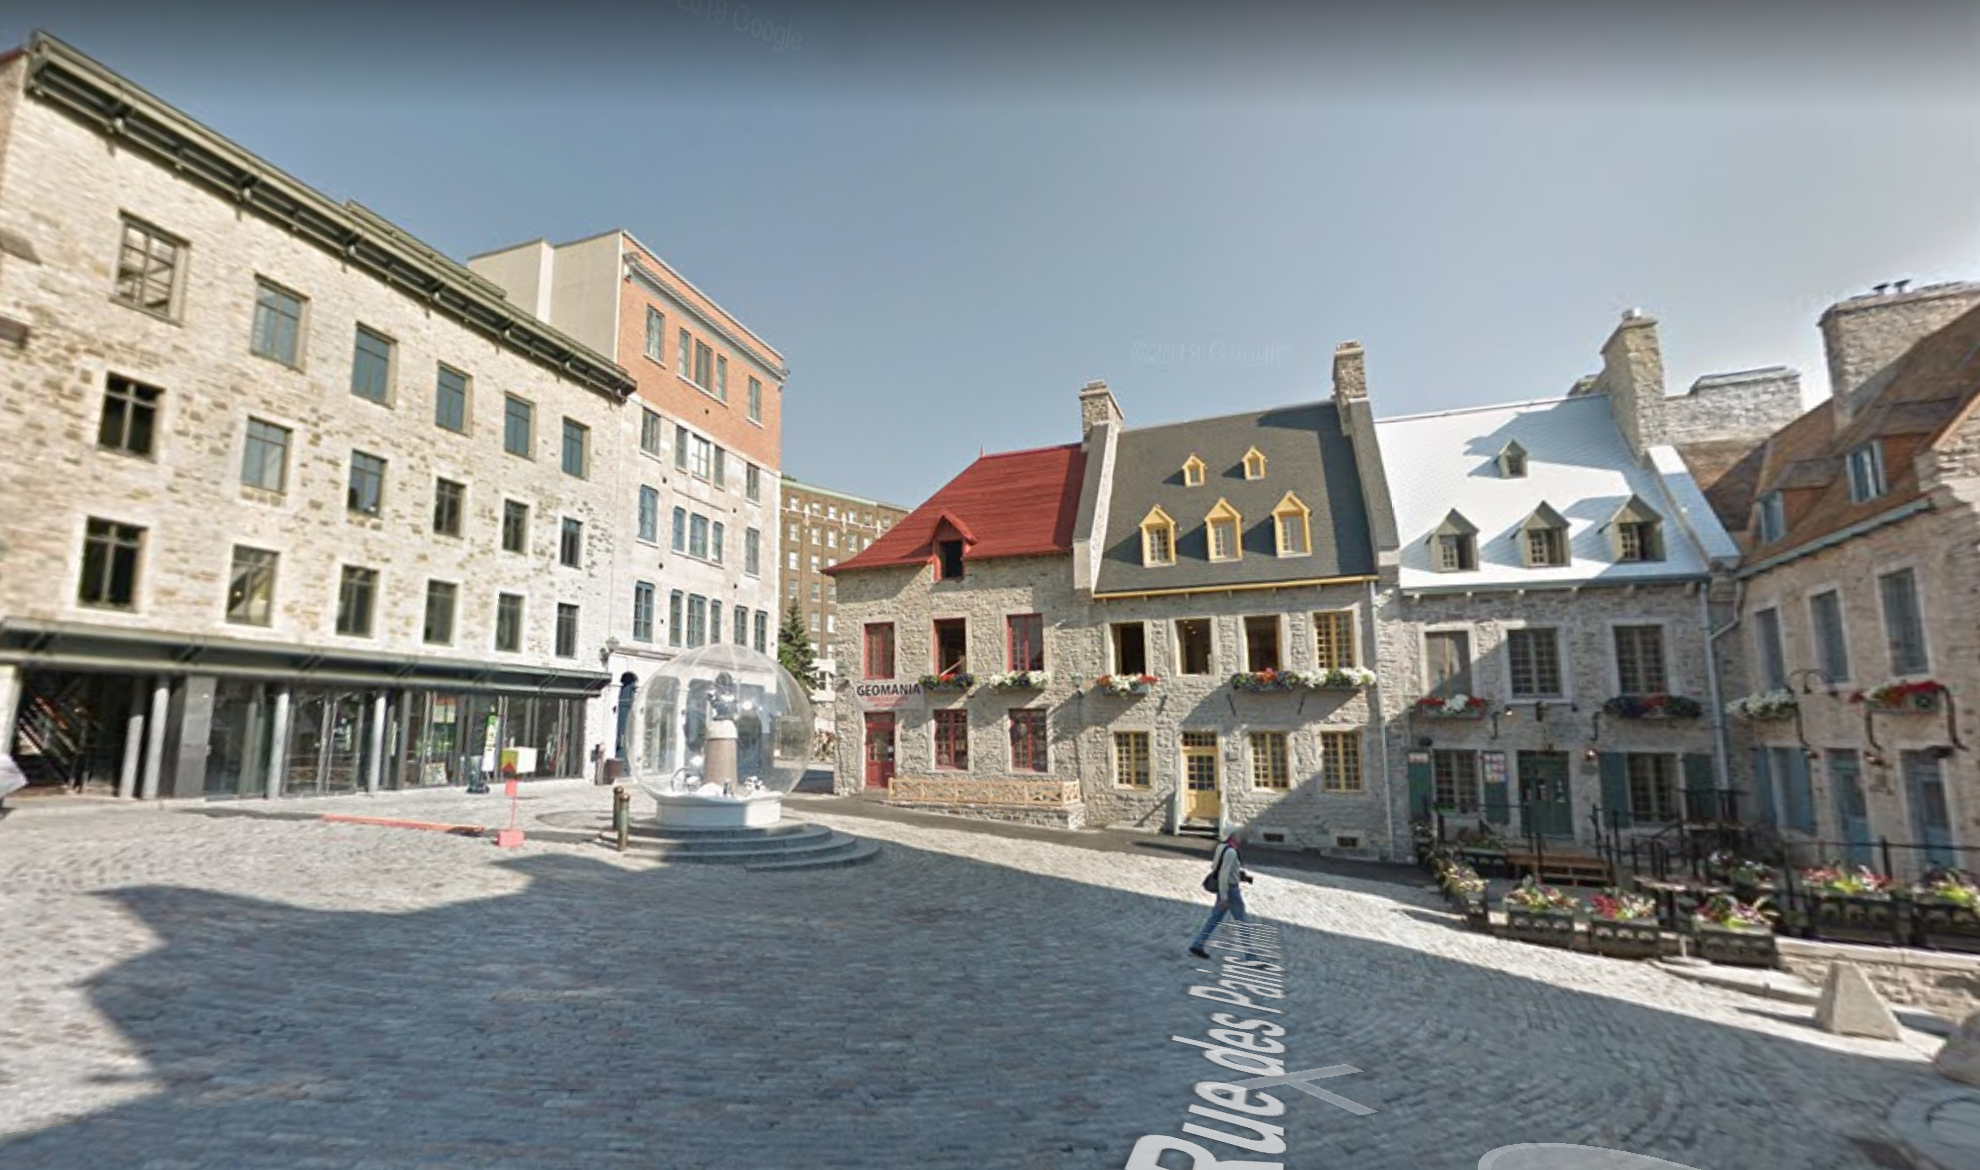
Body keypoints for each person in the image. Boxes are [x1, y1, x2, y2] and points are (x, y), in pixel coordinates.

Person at [1188, 834, 1254, 958]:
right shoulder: (1231, 852)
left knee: (1215, 918)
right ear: (1233, 836)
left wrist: (1241, 877)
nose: (1241, 837)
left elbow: (1216, 867)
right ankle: (1250, 955)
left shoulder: (1221, 847)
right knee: (1242, 921)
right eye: (1238, 835)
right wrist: (1224, 897)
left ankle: (1198, 944)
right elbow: (1224, 874)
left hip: (1223, 888)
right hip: (1230, 890)